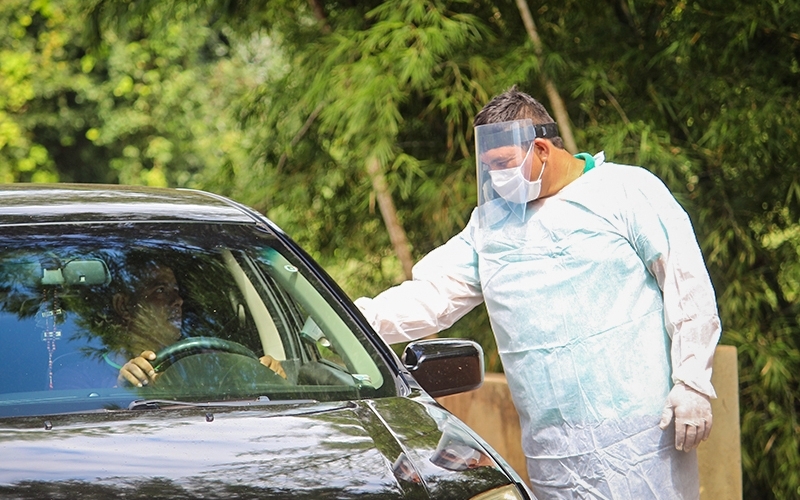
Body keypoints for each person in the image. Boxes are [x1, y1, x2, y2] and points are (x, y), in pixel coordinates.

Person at [355, 87, 721, 499]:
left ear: (542, 149)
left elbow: (686, 285)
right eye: (488, 167)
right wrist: (346, 322)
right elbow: (432, 295)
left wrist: (691, 382)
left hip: (642, 439)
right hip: (554, 451)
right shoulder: (490, 227)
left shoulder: (625, 191)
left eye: (504, 164)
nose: (496, 178)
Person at [114, 262, 286, 387]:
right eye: (160, 290)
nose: (178, 301)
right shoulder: (93, 374)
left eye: (176, 291)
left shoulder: (205, 359)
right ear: (124, 306)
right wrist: (123, 388)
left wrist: (271, 376)